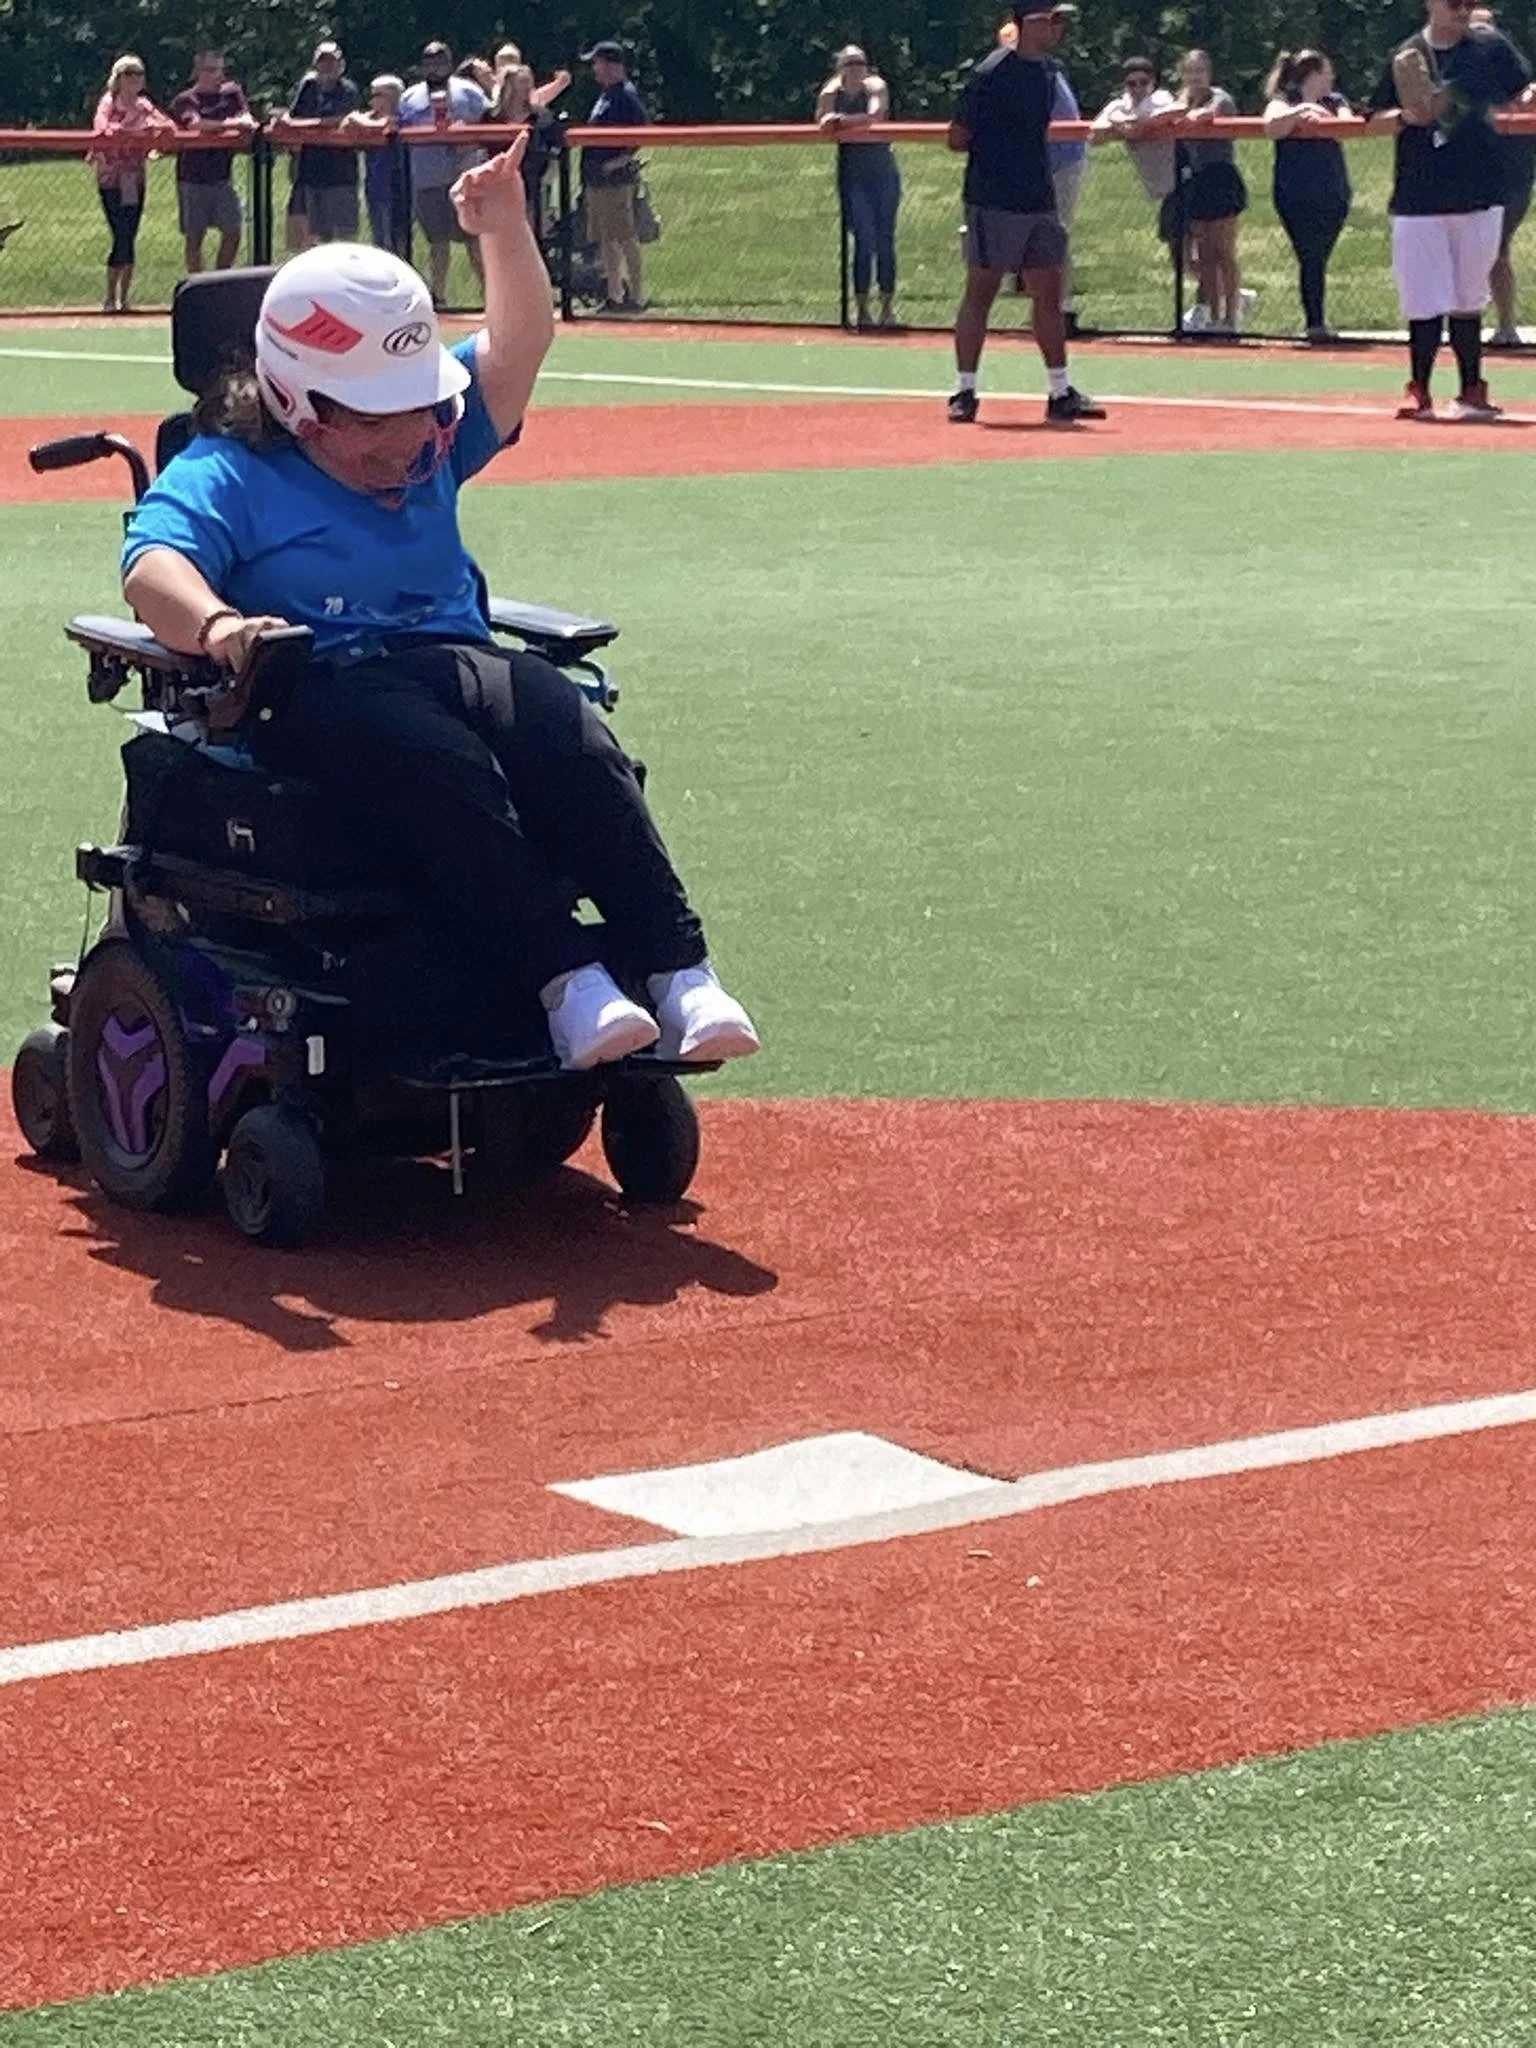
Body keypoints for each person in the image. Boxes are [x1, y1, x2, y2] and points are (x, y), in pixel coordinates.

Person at [118, 137, 760, 1076]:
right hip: (317, 685)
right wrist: (220, 627)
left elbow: (517, 345)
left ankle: (679, 970)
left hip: (447, 656)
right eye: (382, 418)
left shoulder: (434, 433)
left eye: (422, 407)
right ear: (303, 405)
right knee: (437, 761)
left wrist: (502, 224)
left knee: (562, 724)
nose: (417, 434)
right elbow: (153, 565)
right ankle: (567, 981)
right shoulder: (231, 469)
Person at [1367, 0, 1532, 419]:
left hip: (1479, 187)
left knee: (1468, 296)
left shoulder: (1489, 47)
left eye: (1466, 3)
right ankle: (1418, 388)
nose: (1461, 10)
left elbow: (1524, 87)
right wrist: (1408, 116)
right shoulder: (1407, 53)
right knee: (1422, 297)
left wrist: (1525, 99)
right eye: (1452, 3)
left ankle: (1471, 389)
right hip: (1419, 194)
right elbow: (1372, 119)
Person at [946, 3, 1103, 426]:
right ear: (1028, 23)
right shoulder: (990, 73)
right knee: (981, 290)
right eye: (1052, 19)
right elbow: (957, 137)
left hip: (1038, 197)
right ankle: (964, 391)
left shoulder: (1049, 73)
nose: (1059, 27)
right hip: (993, 196)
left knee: (1048, 292)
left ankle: (1060, 391)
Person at [1262, 50, 1353, 341]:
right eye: (1328, 72)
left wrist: (1323, 117)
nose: (1332, 77)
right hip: (1293, 191)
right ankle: (1315, 323)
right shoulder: (1283, 100)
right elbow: (1272, 126)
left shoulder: (1335, 100)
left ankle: (1316, 320)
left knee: (1318, 256)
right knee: (1309, 255)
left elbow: (1346, 127)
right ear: (1313, 74)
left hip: (1332, 190)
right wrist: (1300, 112)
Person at [399, 42, 490, 309]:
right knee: (437, 241)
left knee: (474, 239)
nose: (434, 65)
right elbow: (399, 128)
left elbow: (491, 119)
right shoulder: (410, 96)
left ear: (450, 63)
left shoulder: (469, 91)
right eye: (429, 61)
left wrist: (468, 129)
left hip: (465, 177)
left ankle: (491, 296)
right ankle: (438, 298)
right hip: (428, 177)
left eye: (440, 60)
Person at [816, 45, 902, 330]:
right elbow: (821, 122)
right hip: (853, 174)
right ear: (839, 67)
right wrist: (837, 121)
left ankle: (888, 308)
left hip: (882, 171)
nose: (856, 68)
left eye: (861, 63)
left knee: (885, 240)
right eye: (850, 63)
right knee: (863, 240)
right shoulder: (831, 92)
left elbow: (875, 115)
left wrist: (842, 122)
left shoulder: (875, 86)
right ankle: (862, 308)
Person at [87, 55, 175, 315]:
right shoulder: (109, 102)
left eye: (138, 74)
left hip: (134, 178)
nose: (134, 79)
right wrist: (134, 128)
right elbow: (103, 128)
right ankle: (109, 296)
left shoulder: (144, 105)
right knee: (120, 233)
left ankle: (124, 298)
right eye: (128, 73)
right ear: (118, 77)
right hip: (111, 178)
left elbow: (168, 125)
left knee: (131, 233)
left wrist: (155, 132)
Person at [1174, 49, 1253, 333]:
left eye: (1200, 71)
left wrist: (1184, 114)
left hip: (1220, 178)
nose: (1195, 77)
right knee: (1203, 254)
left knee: (1223, 251)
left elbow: (1206, 116)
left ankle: (1232, 316)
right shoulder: (1180, 100)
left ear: (1209, 73)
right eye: (1189, 71)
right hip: (1195, 180)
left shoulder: (1221, 98)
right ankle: (1212, 314)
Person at [1470, 6, 1536, 344]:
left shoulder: (1518, 79)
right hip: (1466, 178)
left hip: (1510, 176)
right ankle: (1466, 325)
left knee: (1497, 247)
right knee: (1475, 251)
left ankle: (1506, 325)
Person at [1090, 56, 1181, 267]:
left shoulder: (1162, 98)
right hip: (1164, 187)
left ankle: (1224, 296)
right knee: (1178, 253)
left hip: (1184, 179)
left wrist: (1138, 124)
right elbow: (1094, 136)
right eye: (1131, 83)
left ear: (1153, 83)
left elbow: (1171, 113)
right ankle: (1230, 295)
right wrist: (1119, 123)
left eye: (1143, 82)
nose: (1138, 88)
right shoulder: (1119, 106)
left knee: (1189, 249)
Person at [170, 48, 254, 276]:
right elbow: (195, 125)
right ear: (197, 71)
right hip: (192, 179)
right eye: (209, 70)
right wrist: (228, 124)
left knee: (233, 230)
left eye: (219, 69)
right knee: (194, 236)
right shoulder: (186, 99)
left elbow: (246, 119)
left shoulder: (232, 93)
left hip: (222, 178)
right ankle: (199, 283)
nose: (216, 75)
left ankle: (220, 278)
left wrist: (237, 123)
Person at [580, 39, 649, 314]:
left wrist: (617, 162)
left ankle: (637, 295)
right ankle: (614, 294)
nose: (595, 69)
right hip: (597, 180)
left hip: (615, 179)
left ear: (610, 65)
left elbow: (641, 134)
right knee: (606, 238)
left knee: (624, 236)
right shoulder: (606, 95)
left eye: (597, 63)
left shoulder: (625, 95)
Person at [283, 41, 362, 250]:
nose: (327, 66)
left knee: (344, 238)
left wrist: (302, 125)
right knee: (316, 239)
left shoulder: (348, 90)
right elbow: (293, 117)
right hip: (311, 174)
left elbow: (339, 119)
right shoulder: (308, 88)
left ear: (341, 65)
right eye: (322, 61)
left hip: (341, 175)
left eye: (332, 62)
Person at [344, 74, 405, 252]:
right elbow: (346, 123)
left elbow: (378, 127)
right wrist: (357, 118)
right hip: (375, 189)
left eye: (378, 95)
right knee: (379, 242)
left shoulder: (401, 118)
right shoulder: (371, 117)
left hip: (398, 191)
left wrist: (357, 118)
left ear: (393, 98)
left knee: (397, 243)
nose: (372, 101)